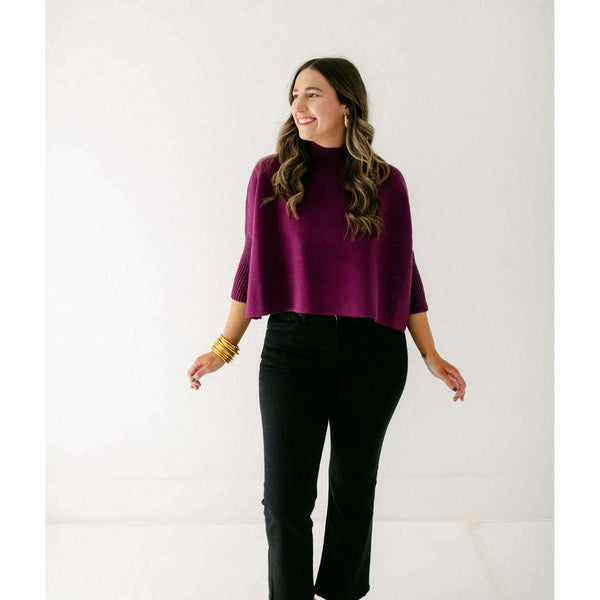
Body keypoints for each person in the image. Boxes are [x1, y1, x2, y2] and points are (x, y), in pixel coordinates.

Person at [187, 57, 466, 600]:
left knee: (353, 492)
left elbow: (404, 271)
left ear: (346, 104)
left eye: (312, 94)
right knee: (284, 499)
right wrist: (224, 346)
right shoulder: (271, 176)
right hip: (292, 347)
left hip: (374, 351)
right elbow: (252, 262)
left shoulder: (386, 182)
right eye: (294, 95)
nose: (299, 106)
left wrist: (430, 354)